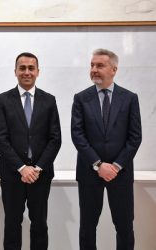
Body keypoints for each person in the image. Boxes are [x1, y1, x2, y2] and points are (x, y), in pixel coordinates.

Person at [71, 48, 142, 250]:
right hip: (89, 172)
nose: (94, 69)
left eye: (100, 65)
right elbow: (78, 135)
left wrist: (116, 166)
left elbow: (135, 137)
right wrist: (98, 165)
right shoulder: (81, 98)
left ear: (114, 69)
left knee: (124, 226)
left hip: (121, 173)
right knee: (87, 227)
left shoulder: (129, 98)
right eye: (92, 65)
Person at [0, 52, 61, 250]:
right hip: (12, 174)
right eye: (22, 68)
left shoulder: (49, 100)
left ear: (38, 72)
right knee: (12, 224)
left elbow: (55, 138)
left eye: (31, 68)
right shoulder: (3, 100)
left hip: (41, 175)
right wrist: (22, 167)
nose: (27, 72)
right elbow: (0, 138)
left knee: (39, 224)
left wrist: (37, 168)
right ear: (15, 71)